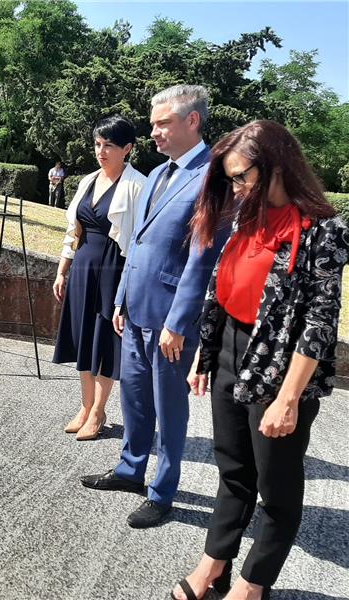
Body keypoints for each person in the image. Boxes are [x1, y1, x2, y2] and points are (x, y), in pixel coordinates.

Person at [171, 120, 348, 600]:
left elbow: (319, 322)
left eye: (243, 176)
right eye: (231, 178)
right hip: (231, 349)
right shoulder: (248, 218)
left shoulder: (323, 232)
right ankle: (213, 566)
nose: (237, 187)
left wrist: (288, 400)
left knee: (278, 490)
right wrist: (205, 356)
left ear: (276, 166)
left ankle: (252, 586)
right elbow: (221, 289)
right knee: (232, 472)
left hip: (279, 369)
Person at [81, 85, 229, 528]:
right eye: (152, 124)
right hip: (136, 308)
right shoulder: (157, 174)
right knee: (135, 398)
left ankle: (162, 492)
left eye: (162, 123)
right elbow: (137, 244)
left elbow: (203, 259)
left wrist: (179, 322)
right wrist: (122, 297)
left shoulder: (211, 179)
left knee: (169, 407)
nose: (154, 132)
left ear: (192, 121)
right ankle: (130, 470)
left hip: (171, 321)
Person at [52, 116, 146, 440]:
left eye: (109, 145)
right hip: (83, 266)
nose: (101, 151)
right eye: (97, 144)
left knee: (103, 339)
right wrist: (63, 268)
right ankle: (85, 404)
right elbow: (72, 230)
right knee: (82, 336)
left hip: (113, 269)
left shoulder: (138, 186)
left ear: (127, 149)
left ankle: (98, 411)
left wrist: (129, 291)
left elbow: (139, 241)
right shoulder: (87, 181)